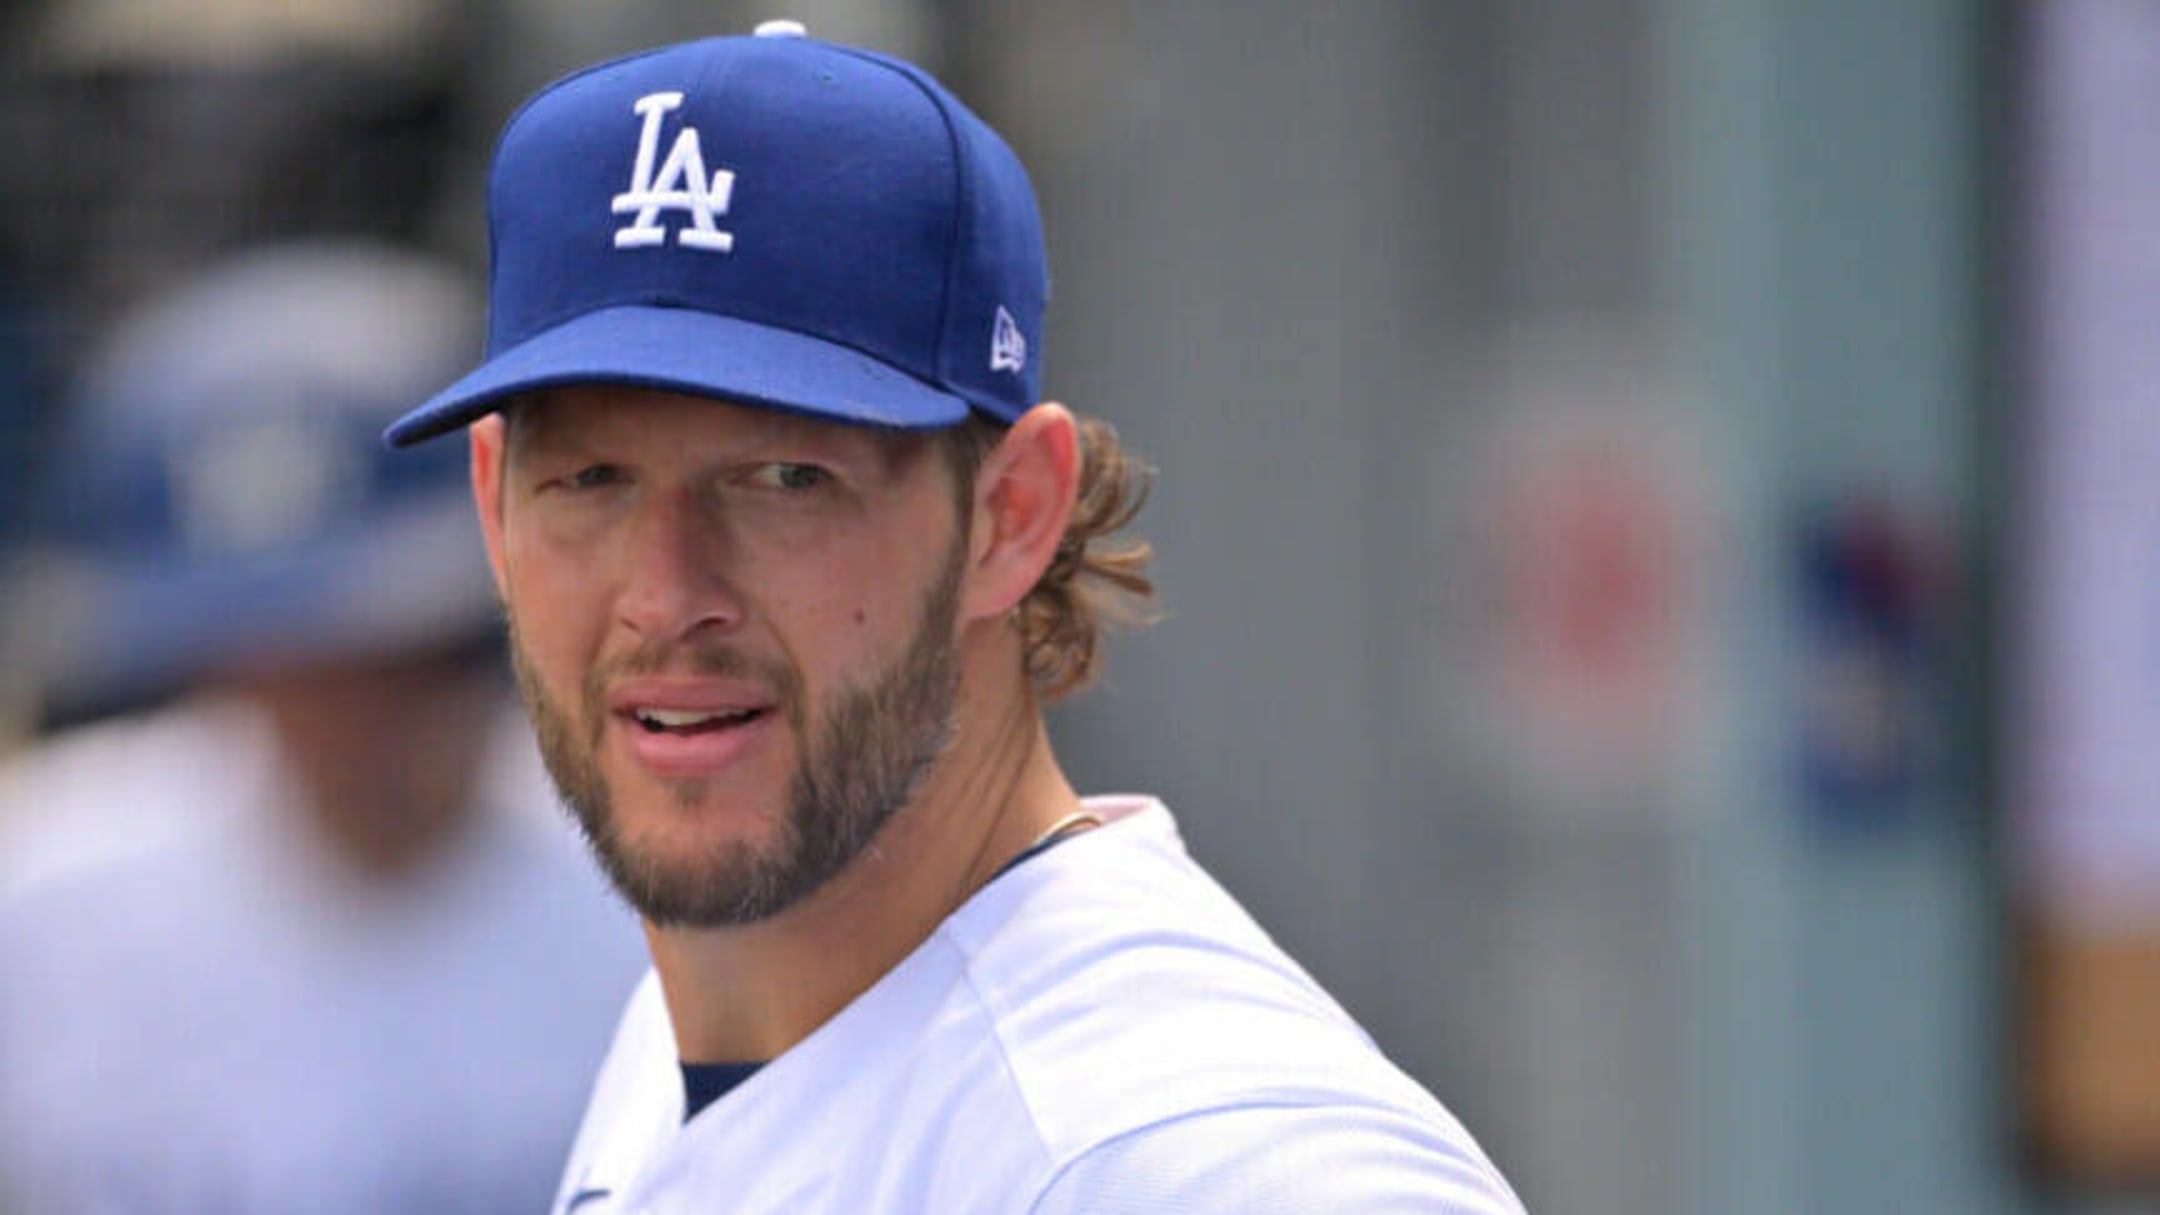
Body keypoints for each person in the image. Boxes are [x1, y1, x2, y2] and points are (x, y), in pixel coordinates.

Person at [385, 23, 1527, 1214]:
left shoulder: (1198, 1155)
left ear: (1011, 514)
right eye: (591, 481)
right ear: (493, 509)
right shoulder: (713, 1020)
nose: (668, 597)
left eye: (784, 481)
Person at [0, 243, 646, 1213]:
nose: (343, 708)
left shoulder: (657, 897)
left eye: (389, 651)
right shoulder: (44, 894)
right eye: (286, 653)